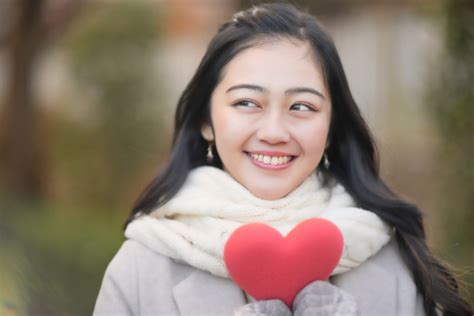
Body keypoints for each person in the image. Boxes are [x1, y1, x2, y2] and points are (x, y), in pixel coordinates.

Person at [93, 3, 472, 316]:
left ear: (331, 127)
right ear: (206, 120)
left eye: (302, 106)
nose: (274, 131)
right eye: (246, 103)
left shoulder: (395, 263)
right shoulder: (141, 268)